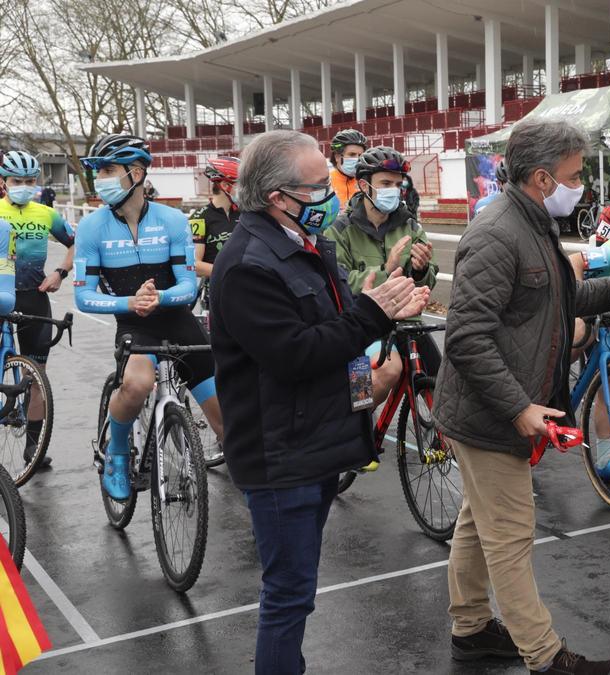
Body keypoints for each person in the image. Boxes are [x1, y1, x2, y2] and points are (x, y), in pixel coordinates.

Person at [209, 130, 428, 674]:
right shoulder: (249, 265)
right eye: (317, 187)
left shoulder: (306, 245)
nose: (331, 194)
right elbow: (295, 355)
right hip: (281, 456)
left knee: (296, 590)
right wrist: (372, 313)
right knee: (288, 595)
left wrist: (383, 290)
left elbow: (336, 322)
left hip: (315, 442)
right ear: (278, 197)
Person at [433, 119, 610, 675]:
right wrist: (518, 407)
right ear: (542, 178)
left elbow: (562, 299)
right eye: (574, 175)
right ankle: (544, 655)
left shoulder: (533, 222)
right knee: (510, 536)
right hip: (490, 415)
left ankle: (470, 630)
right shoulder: (498, 232)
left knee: (477, 521)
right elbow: (465, 338)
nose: (580, 184)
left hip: (487, 411)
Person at [73, 133, 224, 501]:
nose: (100, 179)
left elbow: (188, 286)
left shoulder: (172, 220)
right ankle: (119, 453)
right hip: (134, 325)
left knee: (227, 421)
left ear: (136, 173)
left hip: (178, 320)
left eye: (108, 170)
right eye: (97, 171)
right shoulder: (93, 227)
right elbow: (83, 296)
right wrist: (130, 303)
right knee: (137, 384)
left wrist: (159, 297)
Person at [331, 145, 440, 404]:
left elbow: (428, 280)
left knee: (443, 384)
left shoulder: (410, 224)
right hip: (362, 325)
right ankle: (358, 429)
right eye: (385, 183)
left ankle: (440, 442)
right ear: (364, 186)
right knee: (369, 387)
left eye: (398, 184)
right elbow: (339, 282)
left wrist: (423, 269)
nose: (393, 189)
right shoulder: (340, 229)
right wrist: (385, 271)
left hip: (408, 324)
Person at [0, 150, 74, 468]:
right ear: (4, 182)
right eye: (17, 181)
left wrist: (60, 273)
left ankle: (33, 448)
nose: (24, 186)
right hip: (1, 294)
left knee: (35, 376)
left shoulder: (46, 213)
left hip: (34, 297)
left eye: (30, 181)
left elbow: (75, 243)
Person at [189, 156, 240, 284]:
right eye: (241, 184)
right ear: (225, 185)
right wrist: (232, 273)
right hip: (217, 290)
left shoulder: (246, 213)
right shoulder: (198, 218)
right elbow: (194, 264)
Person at [330, 128, 369, 207]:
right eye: (352, 154)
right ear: (337, 157)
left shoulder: (366, 182)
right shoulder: (326, 183)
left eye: (360, 155)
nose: (357, 159)